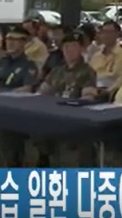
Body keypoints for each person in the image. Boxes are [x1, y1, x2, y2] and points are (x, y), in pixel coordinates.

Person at [36, 31, 98, 166]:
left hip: (72, 117)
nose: (69, 50)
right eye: (66, 47)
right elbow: (42, 91)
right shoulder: (57, 71)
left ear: (81, 49)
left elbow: (88, 97)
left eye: (74, 46)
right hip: (51, 114)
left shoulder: (87, 72)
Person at [0, 26, 39, 166]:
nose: (10, 43)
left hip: (14, 111)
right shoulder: (2, 62)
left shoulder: (29, 65)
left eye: (15, 40)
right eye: (8, 39)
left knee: (2, 136)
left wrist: (4, 94)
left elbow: (27, 88)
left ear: (24, 43)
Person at [88, 21, 122, 88]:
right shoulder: (96, 56)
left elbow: (119, 78)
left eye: (109, 32)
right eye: (104, 32)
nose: (106, 35)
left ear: (117, 34)